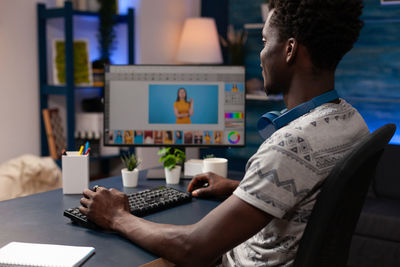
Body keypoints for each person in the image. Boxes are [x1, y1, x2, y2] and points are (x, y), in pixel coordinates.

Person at [78, 1, 368, 266]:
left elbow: (193, 248)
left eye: (265, 42)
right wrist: (237, 187)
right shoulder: (350, 121)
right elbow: (309, 194)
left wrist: (115, 216)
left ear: (290, 49)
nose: (261, 54)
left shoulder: (289, 144)